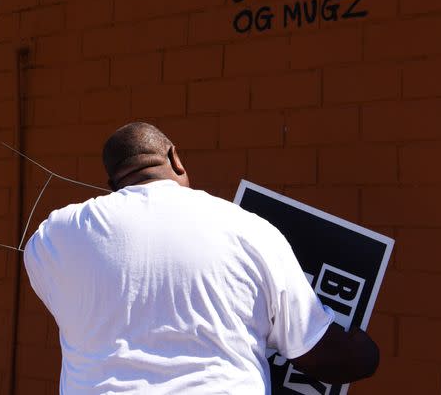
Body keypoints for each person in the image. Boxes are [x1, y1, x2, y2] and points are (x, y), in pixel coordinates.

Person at [23, 122, 379, 394]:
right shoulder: (250, 230)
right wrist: (364, 351)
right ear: (175, 158)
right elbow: (317, 352)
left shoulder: (54, 236)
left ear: (112, 183)